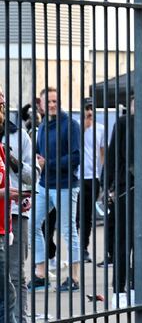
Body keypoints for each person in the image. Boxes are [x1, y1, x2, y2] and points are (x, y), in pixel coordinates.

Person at [0, 95, 55, 323]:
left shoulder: (17, 134)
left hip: (13, 214)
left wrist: (12, 160)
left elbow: (33, 175)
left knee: (13, 279)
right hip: (4, 205)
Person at [30, 88, 82, 292]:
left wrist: (48, 163)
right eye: (48, 102)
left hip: (66, 185)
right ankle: (41, 274)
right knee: (33, 225)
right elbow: (38, 154)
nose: (52, 104)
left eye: (55, 101)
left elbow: (76, 158)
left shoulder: (71, 125)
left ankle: (74, 278)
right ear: (41, 105)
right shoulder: (42, 125)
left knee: (68, 230)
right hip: (44, 185)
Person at [103, 93, 135, 304]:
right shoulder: (124, 123)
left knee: (137, 242)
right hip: (127, 187)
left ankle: (133, 288)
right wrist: (107, 186)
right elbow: (113, 154)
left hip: (139, 187)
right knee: (125, 240)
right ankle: (119, 288)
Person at [77, 99, 104, 263]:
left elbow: (102, 154)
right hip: (77, 177)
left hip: (92, 178)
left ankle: (84, 248)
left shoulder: (100, 129)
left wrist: (102, 175)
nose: (90, 112)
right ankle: (76, 247)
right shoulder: (77, 128)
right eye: (87, 108)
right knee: (77, 215)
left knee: (87, 215)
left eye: (92, 109)